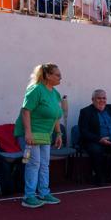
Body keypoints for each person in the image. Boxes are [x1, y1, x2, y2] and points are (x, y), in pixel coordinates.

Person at [14, 63, 64, 208]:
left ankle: (44, 193)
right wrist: (28, 133)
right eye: (57, 75)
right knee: (33, 163)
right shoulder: (35, 90)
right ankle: (28, 196)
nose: (61, 78)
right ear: (47, 76)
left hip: (45, 135)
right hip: (30, 133)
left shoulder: (55, 93)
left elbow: (56, 115)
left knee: (44, 164)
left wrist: (59, 133)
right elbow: (26, 111)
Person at [78, 89, 111, 185]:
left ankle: (105, 172)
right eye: (99, 98)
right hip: (95, 140)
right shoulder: (86, 111)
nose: (102, 100)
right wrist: (99, 139)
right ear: (92, 99)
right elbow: (83, 131)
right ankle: (100, 176)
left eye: (104, 98)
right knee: (96, 151)